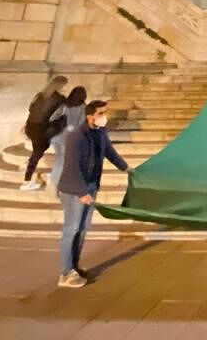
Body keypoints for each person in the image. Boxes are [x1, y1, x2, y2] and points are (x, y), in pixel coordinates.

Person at [56, 100, 130, 288]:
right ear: (91, 116)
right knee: (71, 229)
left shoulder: (100, 133)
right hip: (74, 188)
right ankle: (65, 273)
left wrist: (126, 168)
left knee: (82, 230)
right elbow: (72, 166)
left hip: (90, 185)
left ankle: (74, 266)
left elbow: (109, 152)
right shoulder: (77, 137)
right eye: (101, 113)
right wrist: (81, 192)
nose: (105, 116)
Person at [20, 75, 68, 191]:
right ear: (61, 86)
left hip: (30, 127)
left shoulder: (38, 95)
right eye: (64, 86)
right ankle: (26, 181)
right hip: (41, 130)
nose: (65, 88)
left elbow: (30, 109)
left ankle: (29, 166)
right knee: (37, 152)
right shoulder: (59, 98)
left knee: (39, 150)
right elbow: (62, 113)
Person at [49, 86, 87, 190]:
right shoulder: (83, 108)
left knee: (60, 159)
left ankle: (53, 182)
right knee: (67, 162)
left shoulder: (65, 105)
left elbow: (52, 118)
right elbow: (81, 125)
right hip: (69, 137)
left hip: (57, 136)